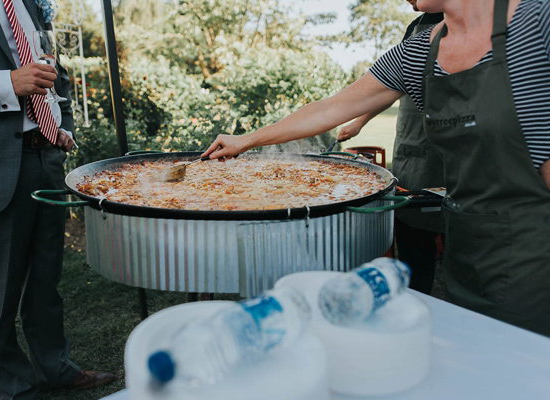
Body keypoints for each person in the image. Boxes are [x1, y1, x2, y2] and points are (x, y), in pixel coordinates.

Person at [203, 0, 550, 336]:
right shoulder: (418, 53)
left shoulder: (537, 22)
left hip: (535, 251)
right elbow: (329, 109)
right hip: (468, 247)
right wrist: (247, 140)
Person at [0, 0, 115, 397]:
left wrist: (63, 125)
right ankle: (14, 388)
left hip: (47, 157)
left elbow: (55, 75)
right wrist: (8, 82)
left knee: (46, 280)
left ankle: (57, 368)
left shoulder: (30, 5)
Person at [336, 1, 445, 295]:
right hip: (411, 150)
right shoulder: (415, 29)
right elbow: (390, 86)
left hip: (448, 156)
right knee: (412, 238)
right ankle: (415, 297)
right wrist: (360, 121)